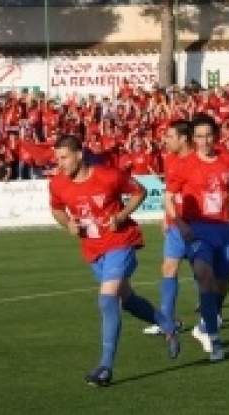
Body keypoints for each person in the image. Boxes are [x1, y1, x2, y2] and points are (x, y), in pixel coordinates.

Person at [48, 134, 179, 387]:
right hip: (93, 250)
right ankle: (167, 325)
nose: (61, 164)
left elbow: (139, 191)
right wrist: (68, 225)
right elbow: (56, 208)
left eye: (64, 158)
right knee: (126, 299)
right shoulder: (57, 184)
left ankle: (105, 367)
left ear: (79, 154)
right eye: (58, 159)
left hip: (121, 242)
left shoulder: (108, 175)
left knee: (107, 299)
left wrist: (121, 215)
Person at [142, 122, 229, 336]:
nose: (166, 141)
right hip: (178, 225)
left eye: (170, 136)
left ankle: (210, 316)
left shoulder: (218, 159)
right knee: (169, 268)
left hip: (209, 226)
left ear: (184, 138)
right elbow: (170, 194)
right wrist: (168, 218)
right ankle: (167, 319)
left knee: (211, 277)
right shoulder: (171, 160)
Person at [165, 113, 229, 362]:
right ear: (194, 139)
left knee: (223, 283)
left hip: (224, 230)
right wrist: (179, 223)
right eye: (199, 136)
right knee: (205, 277)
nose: (204, 141)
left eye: (208, 135)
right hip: (197, 231)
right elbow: (168, 198)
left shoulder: (228, 161)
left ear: (215, 136)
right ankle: (215, 338)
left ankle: (205, 324)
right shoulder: (183, 165)